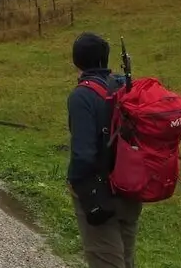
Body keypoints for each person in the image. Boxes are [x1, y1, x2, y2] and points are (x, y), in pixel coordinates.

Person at [67, 32, 142, 268]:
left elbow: (84, 154)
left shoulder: (82, 96)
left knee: (104, 259)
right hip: (130, 187)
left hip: (100, 193)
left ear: (76, 60)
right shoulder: (122, 86)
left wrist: (75, 183)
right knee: (126, 258)